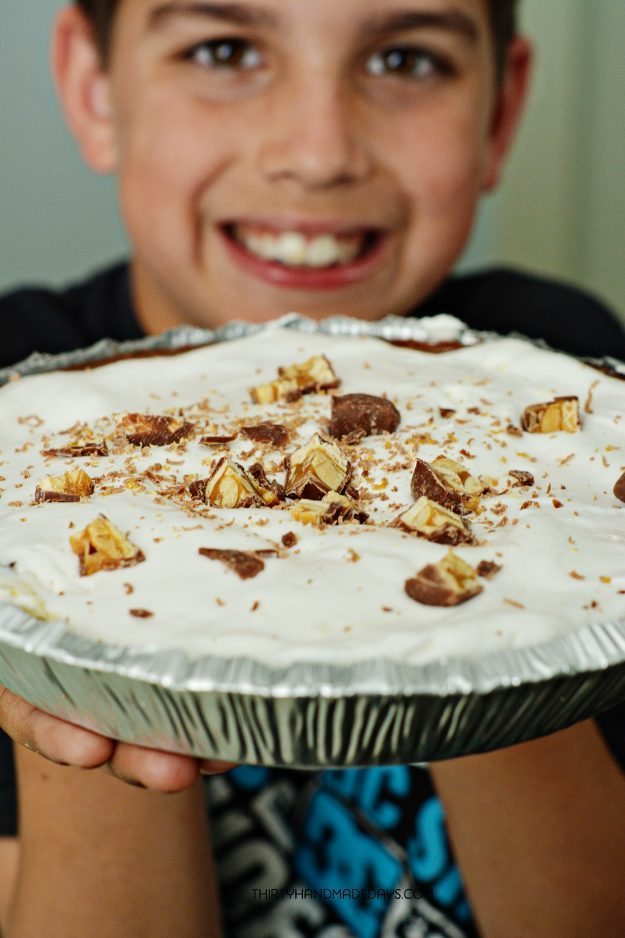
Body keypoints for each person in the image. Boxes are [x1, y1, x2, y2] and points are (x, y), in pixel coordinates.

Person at [1, 1, 625, 935]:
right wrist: (69, 673)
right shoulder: (18, 430)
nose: (318, 149)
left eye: (406, 60)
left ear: (499, 114)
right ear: (95, 90)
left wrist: (503, 600)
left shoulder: (569, 394)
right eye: (224, 50)